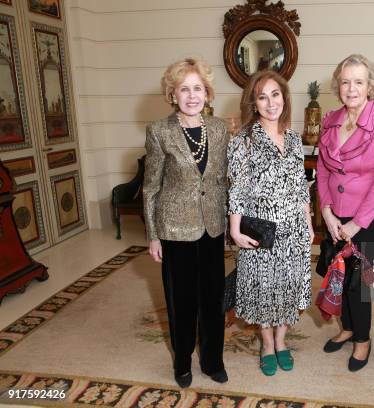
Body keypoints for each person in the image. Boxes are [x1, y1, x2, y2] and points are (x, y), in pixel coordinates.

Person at [143, 57, 230, 388]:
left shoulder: (220, 129)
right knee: (182, 302)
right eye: (184, 89)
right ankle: (182, 363)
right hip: (174, 229)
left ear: (207, 93)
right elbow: (150, 187)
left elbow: (223, 180)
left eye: (198, 88)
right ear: (172, 94)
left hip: (211, 227)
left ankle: (212, 361)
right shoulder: (159, 131)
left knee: (212, 298)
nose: (192, 96)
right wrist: (153, 236)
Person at [227, 70, 314, 376]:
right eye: (262, 96)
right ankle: (266, 344)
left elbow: (300, 184)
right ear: (253, 102)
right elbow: (236, 187)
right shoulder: (242, 141)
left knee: (288, 288)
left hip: (294, 228)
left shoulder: (292, 137)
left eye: (275, 94)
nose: (270, 102)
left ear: (284, 98)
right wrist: (235, 229)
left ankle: (281, 341)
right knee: (264, 289)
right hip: (261, 232)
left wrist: (309, 220)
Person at [316, 54, 374, 371]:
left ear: (369, 86)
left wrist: (356, 224)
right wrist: (326, 212)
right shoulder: (330, 119)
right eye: (346, 81)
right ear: (339, 85)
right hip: (336, 213)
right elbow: (322, 170)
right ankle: (347, 328)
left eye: (359, 82)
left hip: (371, 215)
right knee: (339, 271)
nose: (351, 88)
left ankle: (362, 340)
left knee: (357, 282)